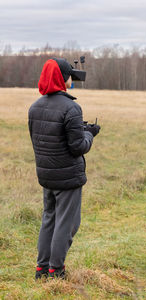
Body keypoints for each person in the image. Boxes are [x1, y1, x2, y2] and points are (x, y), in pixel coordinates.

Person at [28, 58, 100, 279]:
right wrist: (90, 133)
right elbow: (78, 147)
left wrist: (80, 129)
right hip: (67, 177)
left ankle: (42, 268)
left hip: (46, 175)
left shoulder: (35, 107)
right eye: (69, 75)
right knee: (67, 224)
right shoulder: (72, 108)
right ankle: (56, 270)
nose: (71, 79)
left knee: (49, 219)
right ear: (62, 78)